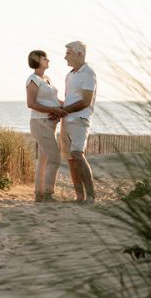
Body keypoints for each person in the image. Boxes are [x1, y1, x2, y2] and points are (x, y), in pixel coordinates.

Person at [58, 41, 97, 203]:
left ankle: (91, 196)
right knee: (71, 159)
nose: (65, 56)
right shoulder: (70, 75)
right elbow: (69, 99)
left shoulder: (88, 73)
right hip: (66, 120)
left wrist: (64, 110)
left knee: (77, 154)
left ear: (79, 54)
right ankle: (79, 196)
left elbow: (86, 101)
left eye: (68, 53)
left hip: (80, 119)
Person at [26, 50, 65, 202]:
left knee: (43, 159)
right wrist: (53, 110)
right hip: (40, 122)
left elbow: (54, 100)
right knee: (54, 158)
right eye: (44, 58)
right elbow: (31, 103)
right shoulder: (33, 79)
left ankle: (39, 194)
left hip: (50, 123)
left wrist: (67, 107)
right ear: (37, 61)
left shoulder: (46, 79)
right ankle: (48, 195)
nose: (48, 60)